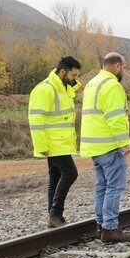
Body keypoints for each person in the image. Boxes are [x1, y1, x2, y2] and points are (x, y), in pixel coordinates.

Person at [80, 52, 130, 243]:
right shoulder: (112, 86)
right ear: (118, 66)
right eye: (124, 67)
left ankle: (100, 227)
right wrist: (124, 143)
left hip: (94, 146)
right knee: (114, 187)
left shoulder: (92, 84)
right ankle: (110, 229)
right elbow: (116, 118)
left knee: (102, 187)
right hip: (109, 145)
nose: (124, 71)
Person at [28, 56, 82, 228]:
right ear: (62, 72)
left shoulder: (63, 87)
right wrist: (41, 146)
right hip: (53, 143)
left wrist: (73, 84)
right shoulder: (45, 89)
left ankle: (54, 215)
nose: (76, 79)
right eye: (73, 75)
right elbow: (36, 119)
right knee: (70, 173)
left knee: (56, 176)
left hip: (61, 142)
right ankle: (55, 214)